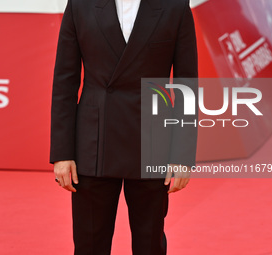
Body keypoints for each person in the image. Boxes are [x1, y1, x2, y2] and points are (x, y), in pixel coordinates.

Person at [50, 0, 198, 254]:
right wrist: (63, 153)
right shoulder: (80, 5)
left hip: (152, 144)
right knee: (89, 245)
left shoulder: (175, 6)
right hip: (94, 144)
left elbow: (187, 85)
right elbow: (65, 81)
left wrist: (182, 155)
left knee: (149, 244)